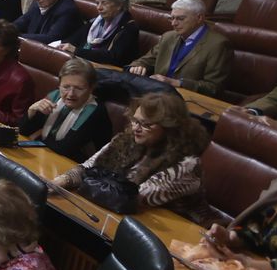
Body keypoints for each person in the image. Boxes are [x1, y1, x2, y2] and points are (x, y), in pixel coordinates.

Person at [54, 91, 214, 224]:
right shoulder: (126, 139)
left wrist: (86, 180)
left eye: (146, 125)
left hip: (174, 231)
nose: (136, 128)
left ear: (169, 128)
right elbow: (89, 167)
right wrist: (62, 180)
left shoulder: (186, 165)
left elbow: (128, 199)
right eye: (135, 121)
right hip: (124, 218)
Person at [127, 0, 232, 96]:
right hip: (156, 92)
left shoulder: (217, 44)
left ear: (199, 18)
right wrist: (138, 66)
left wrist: (178, 83)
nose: (173, 23)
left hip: (186, 98)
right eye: (171, 18)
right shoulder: (168, 37)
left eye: (180, 19)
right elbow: (145, 61)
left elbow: (214, 87)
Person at [18, 58, 114, 162]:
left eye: (79, 88)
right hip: (48, 157)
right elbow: (22, 131)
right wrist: (31, 111)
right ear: (59, 85)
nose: (71, 94)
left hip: (78, 164)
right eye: (66, 87)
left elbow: (65, 149)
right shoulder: (55, 97)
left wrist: (37, 137)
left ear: (91, 88)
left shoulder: (95, 111)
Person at [54, 0, 138, 67]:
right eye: (97, 3)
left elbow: (112, 57)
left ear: (119, 5)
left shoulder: (128, 27)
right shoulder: (96, 22)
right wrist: (60, 46)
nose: (99, 7)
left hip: (107, 70)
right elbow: (73, 39)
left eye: (104, 3)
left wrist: (76, 51)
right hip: (85, 63)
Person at [205, 175, 277, 269]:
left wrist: (249, 263)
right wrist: (230, 237)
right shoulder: (276, 189)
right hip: (248, 262)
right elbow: (256, 229)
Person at [14, 0, 82, 45]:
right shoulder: (37, 4)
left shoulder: (67, 10)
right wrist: (8, 30)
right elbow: (22, 22)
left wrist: (16, 36)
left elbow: (51, 38)